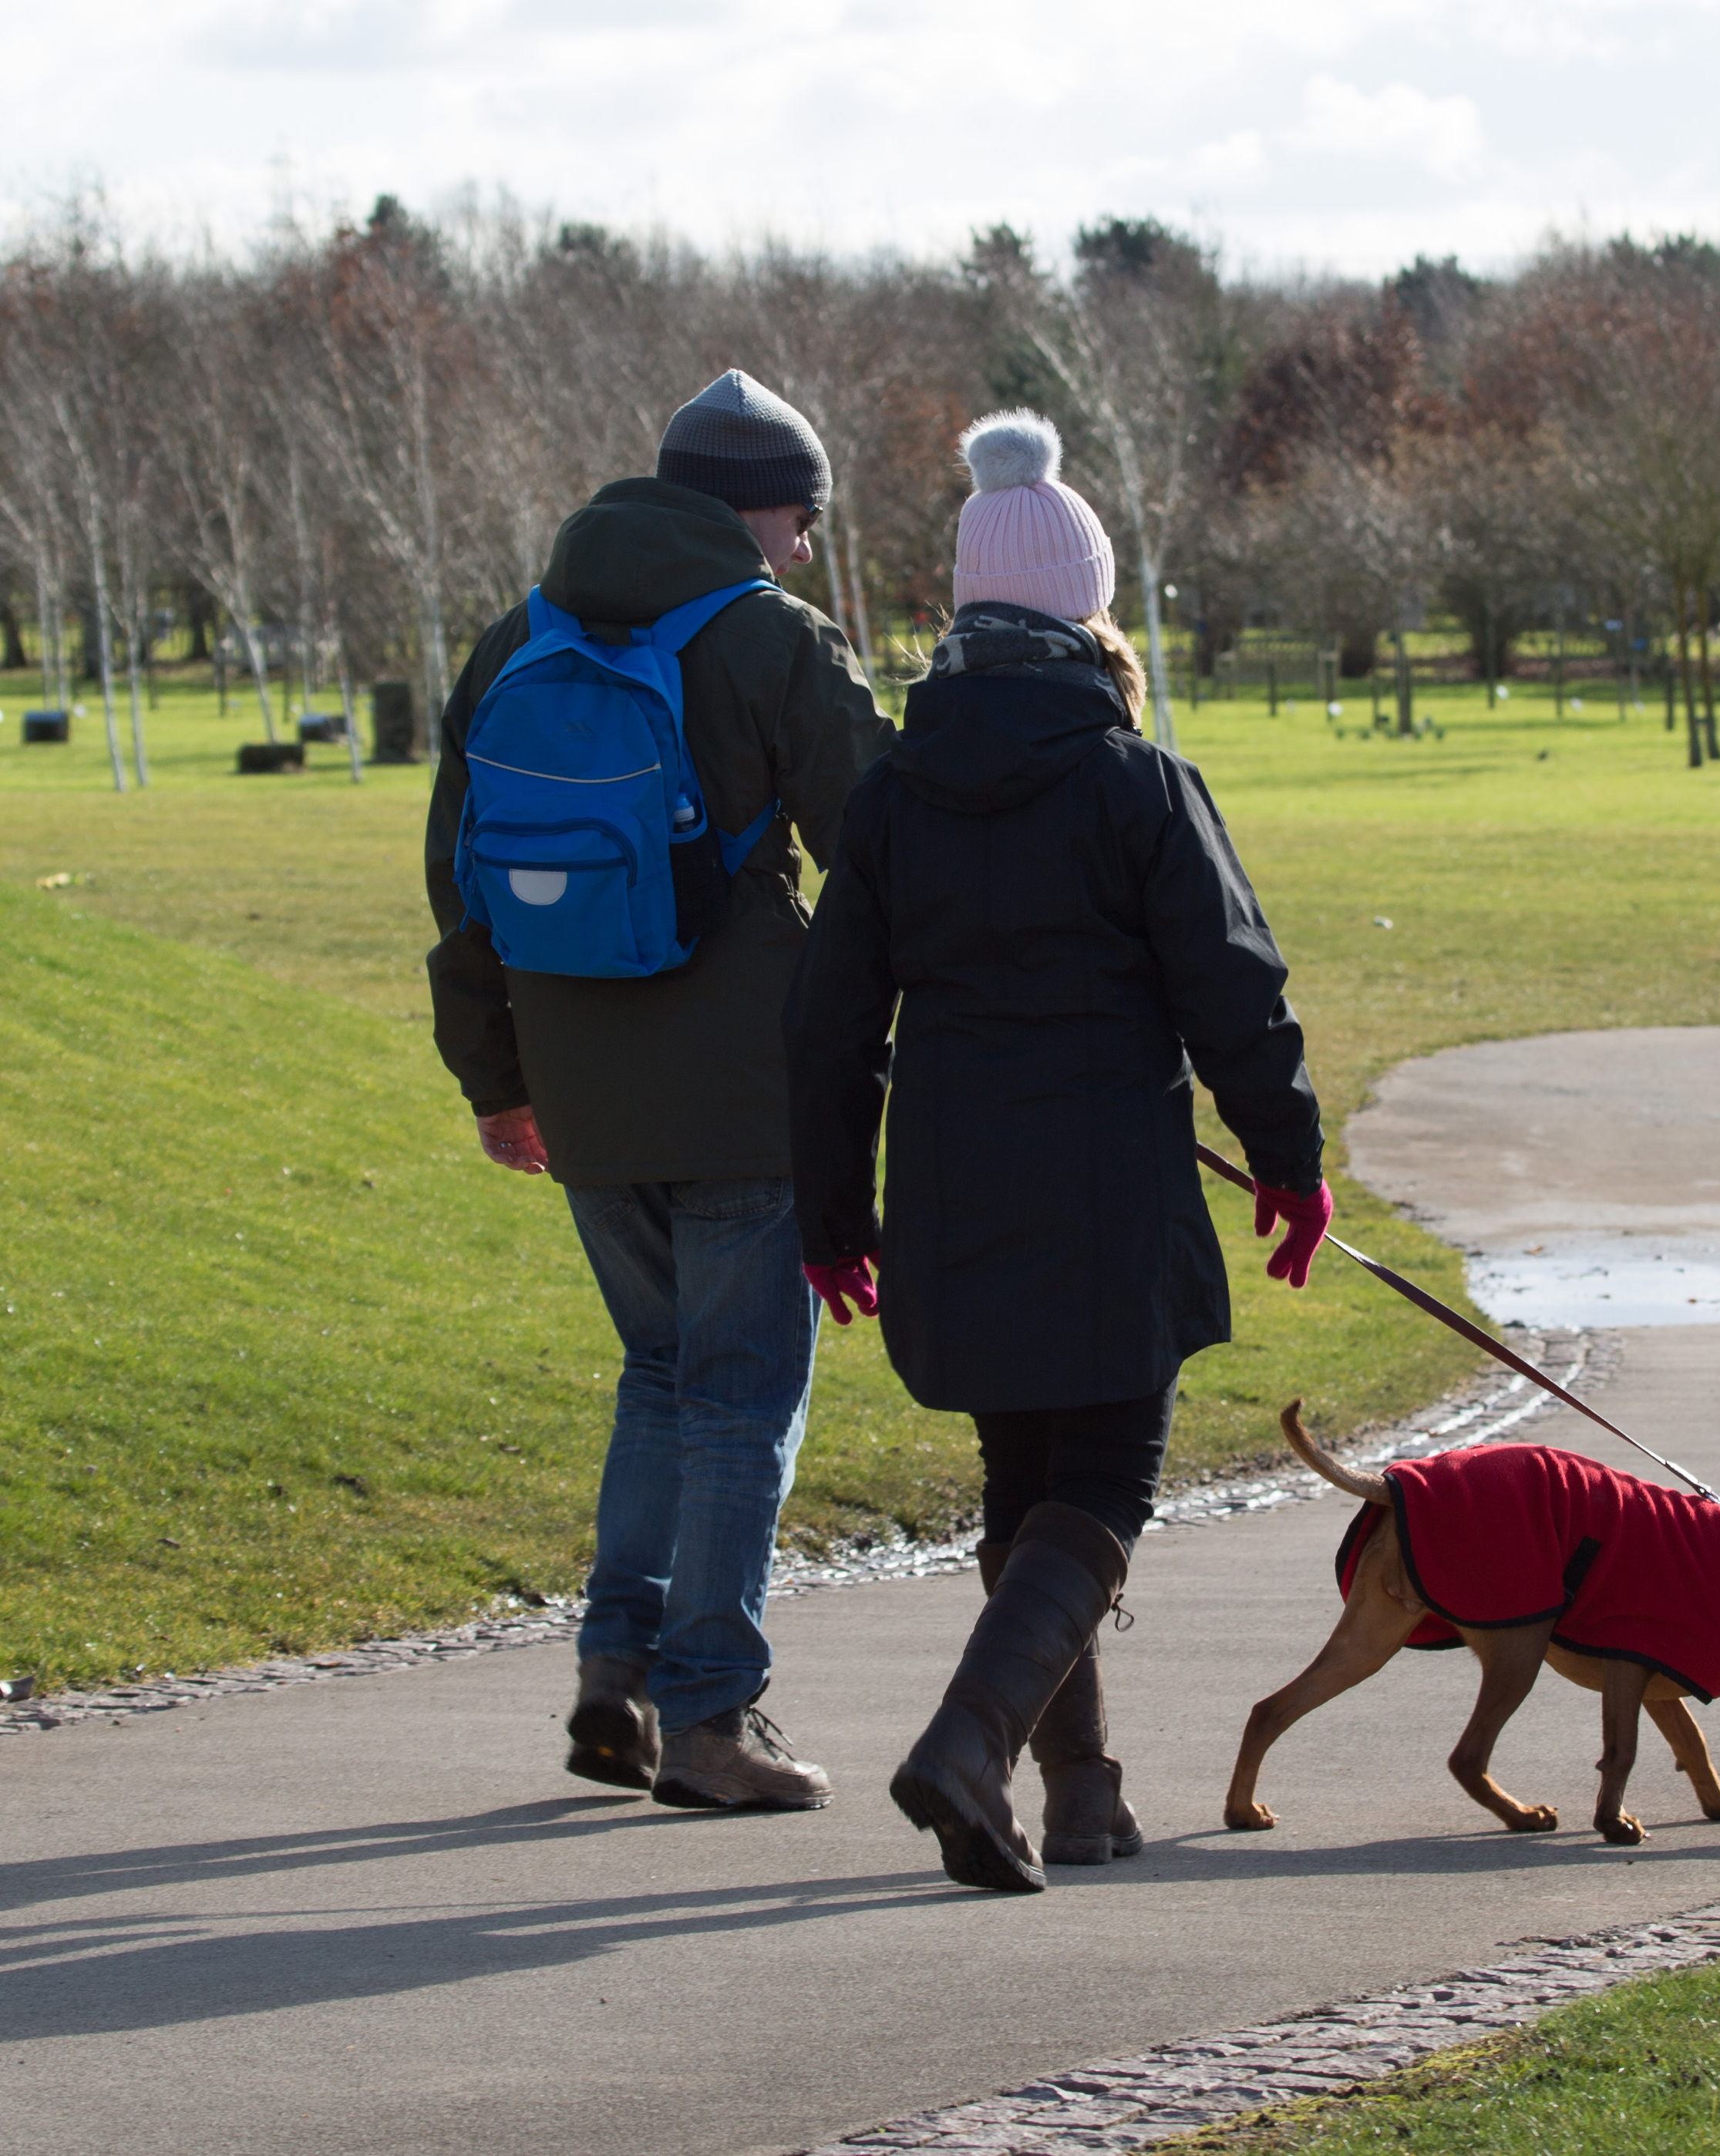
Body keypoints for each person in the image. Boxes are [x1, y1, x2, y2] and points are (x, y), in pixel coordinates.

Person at [784, 409, 1331, 1894]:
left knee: (1024, 1479)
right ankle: (971, 1744)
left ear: (966, 610)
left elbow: (828, 1029)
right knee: (1102, 1474)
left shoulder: (892, 796)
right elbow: (1238, 986)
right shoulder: (1136, 782)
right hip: (1108, 1187)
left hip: (956, 1187)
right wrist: (1288, 1157)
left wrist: (831, 1212)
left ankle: (1080, 1792)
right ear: (1087, 609)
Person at [425, 370, 894, 1811]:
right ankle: (710, 1716)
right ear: (758, 508)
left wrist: (496, 1080)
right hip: (746, 1084)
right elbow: (878, 859)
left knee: (660, 1374)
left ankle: (613, 1675)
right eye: (804, 516)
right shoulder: (772, 640)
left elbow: (456, 880)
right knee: (743, 1400)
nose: (807, 546)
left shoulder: (520, 635)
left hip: (579, 1088)